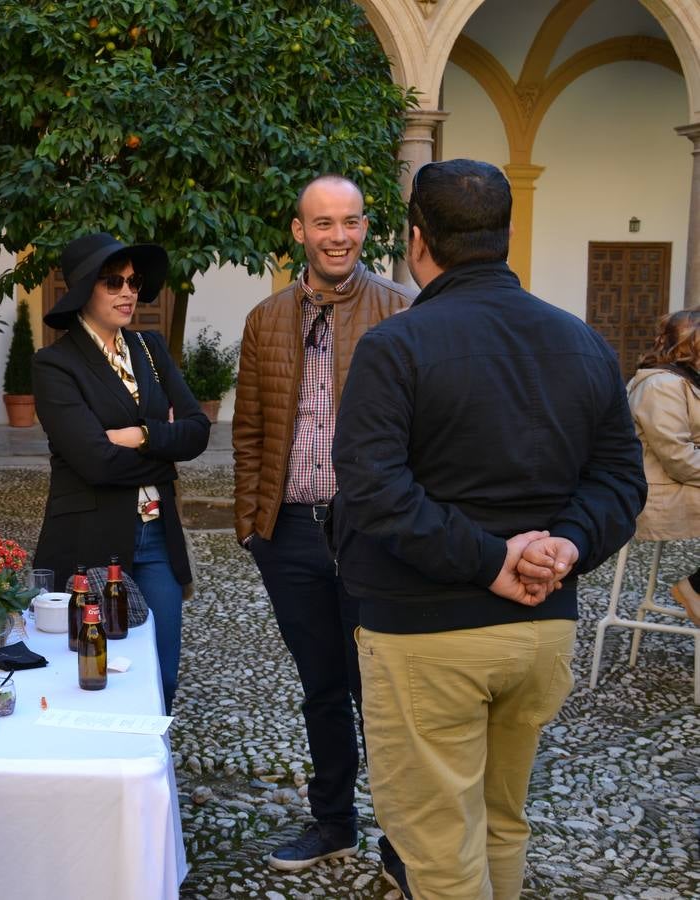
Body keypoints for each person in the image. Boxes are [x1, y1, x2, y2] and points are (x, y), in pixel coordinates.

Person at [332, 159, 646, 899]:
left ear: (417, 240)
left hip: (427, 633)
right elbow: (619, 481)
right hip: (541, 629)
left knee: (439, 849)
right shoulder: (582, 341)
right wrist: (565, 543)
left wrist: (489, 561)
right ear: (505, 237)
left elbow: (374, 490)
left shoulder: (396, 347)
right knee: (503, 823)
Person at [230, 174, 412, 883]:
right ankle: (334, 819)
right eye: (323, 222)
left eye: (351, 221)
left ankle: (401, 841)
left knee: (387, 693)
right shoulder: (266, 318)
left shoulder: (401, 310)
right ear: (299, 232)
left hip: (373, 535)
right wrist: (253, 523)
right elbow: (249, 429)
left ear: (367, 229)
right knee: (321, 687)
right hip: (292, 535)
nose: (339, 235)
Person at [32, 232, 210, 713]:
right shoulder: (55, 365)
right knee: (89, 667)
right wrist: (161, 444)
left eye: (133, 281)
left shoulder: (150, 349)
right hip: (89, 534)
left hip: (157, 535)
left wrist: (137, 435)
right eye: (114, 281)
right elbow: (92, 460)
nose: (128, 291)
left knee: (163, 671)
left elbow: (197, 431)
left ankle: (150, 780)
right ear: (87, 288)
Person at [625, 309, 700, 623]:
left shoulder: (687, 381)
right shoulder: (661, 386)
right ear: (689, 346)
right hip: (665, 491)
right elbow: (679, 459)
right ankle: (695, 588)